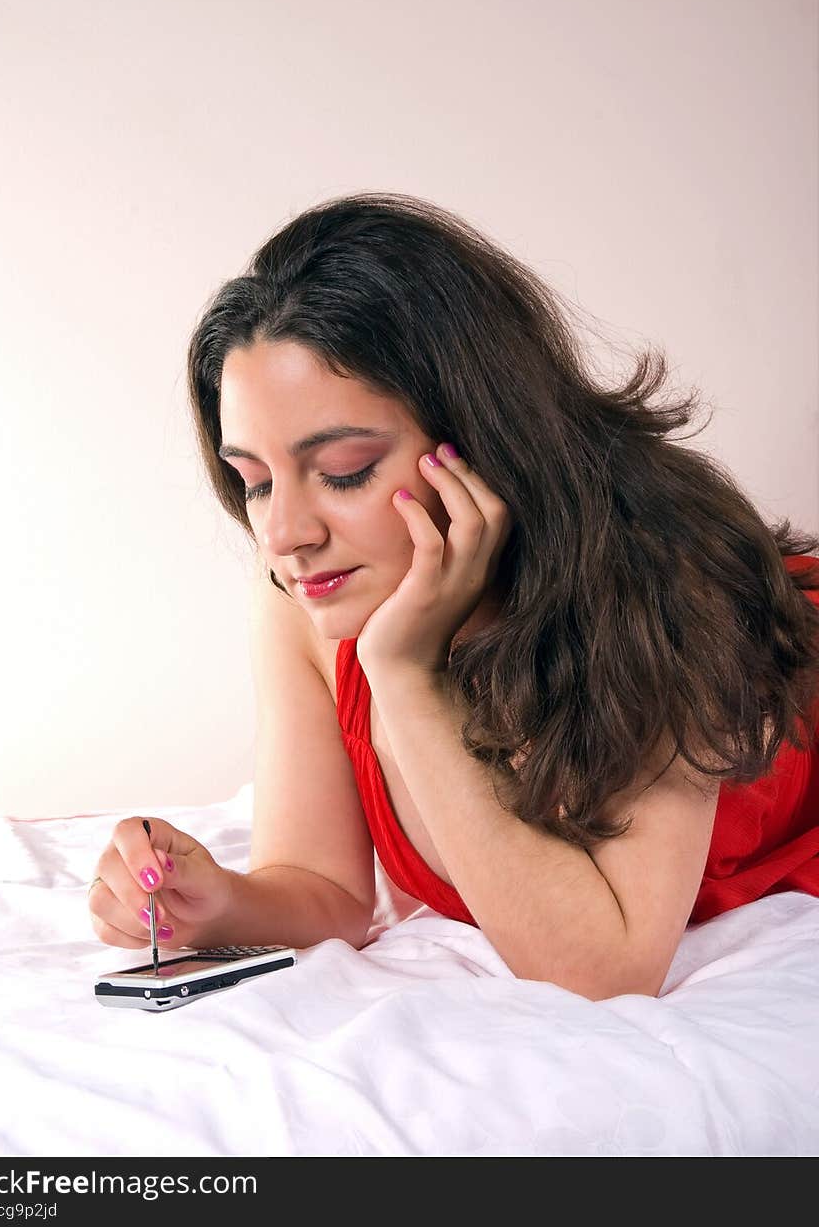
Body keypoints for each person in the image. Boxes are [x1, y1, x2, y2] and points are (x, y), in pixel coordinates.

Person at [88, 192, 819, 1000]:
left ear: (475, 440)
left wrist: (403, 674)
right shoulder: (303, 599)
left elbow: (609, 967)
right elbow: (324, 890)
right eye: (254, 481)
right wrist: (218, 900)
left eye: (344, 470)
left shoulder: (657, 583)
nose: (285, 532)